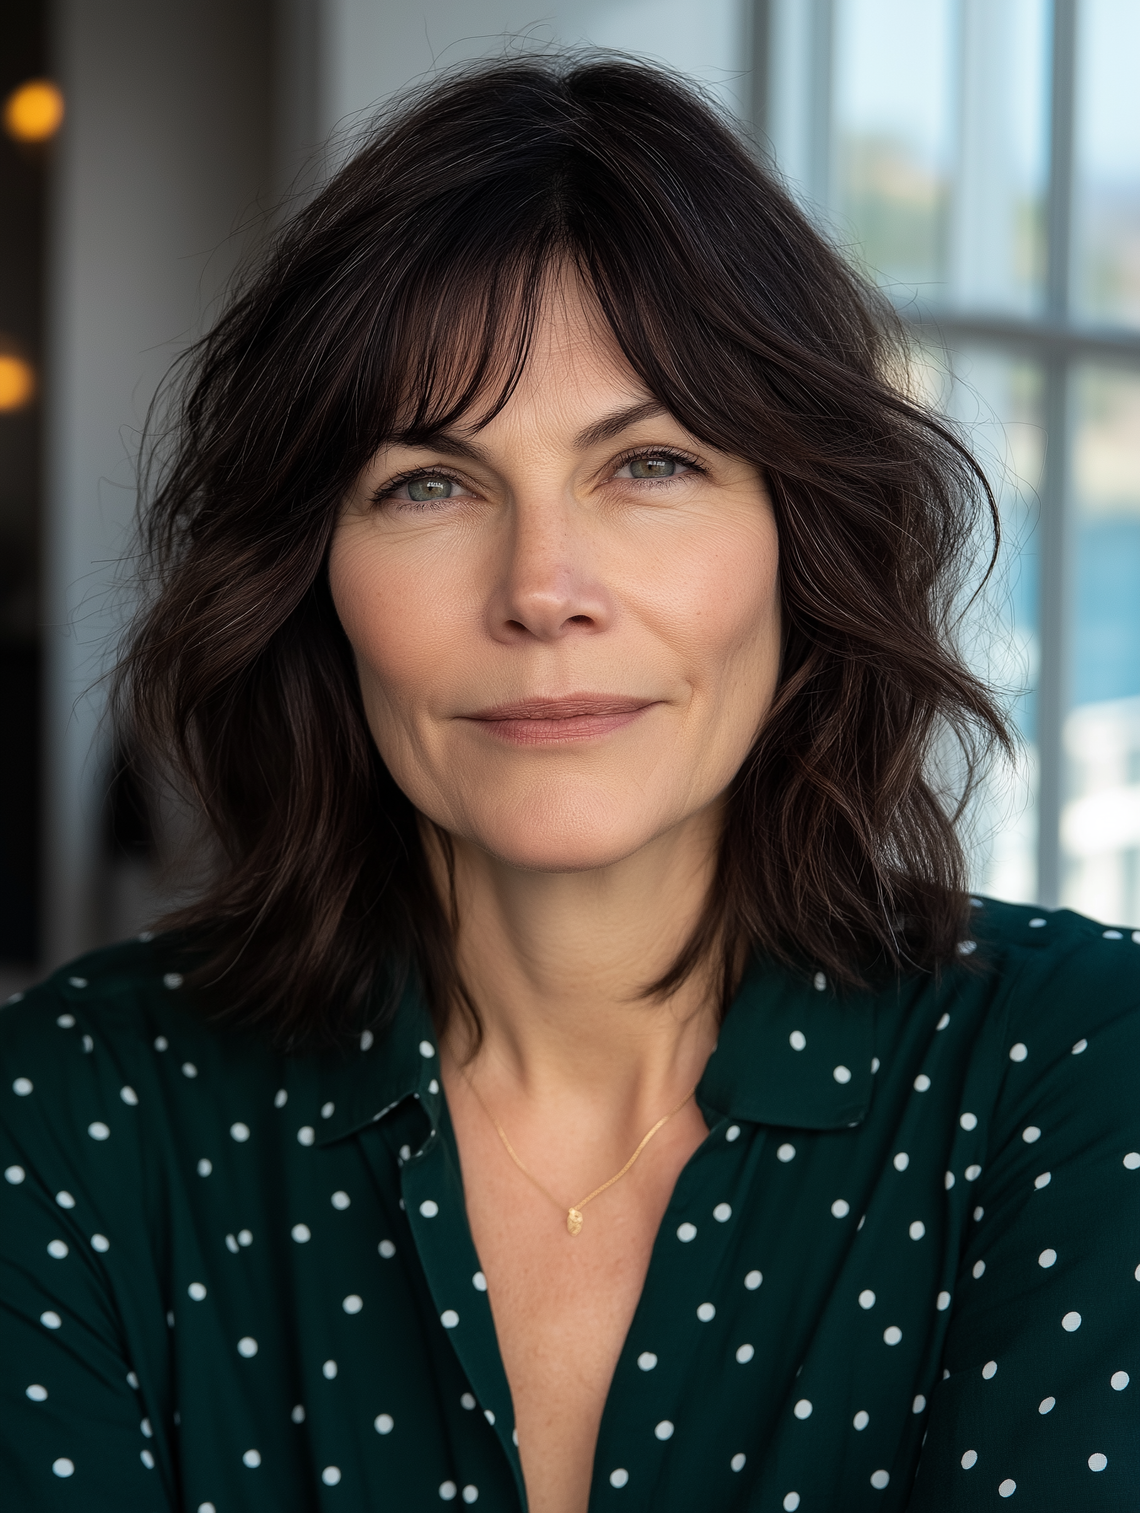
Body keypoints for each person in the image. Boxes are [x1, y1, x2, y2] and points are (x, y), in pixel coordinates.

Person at [2, 55, 1138, 1513]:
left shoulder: (1085, 1075)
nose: (543, 590)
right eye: (430, 484)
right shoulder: (71, 1118)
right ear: (310, 580)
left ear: (804, 536)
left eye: (650, 465)